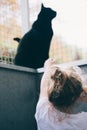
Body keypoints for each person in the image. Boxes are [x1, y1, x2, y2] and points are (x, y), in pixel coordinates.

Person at [35, 58, 87, 130]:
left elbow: (44, 87)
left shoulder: (43, 113)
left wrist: (47, 69)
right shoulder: (84, 121)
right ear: (77, 96)